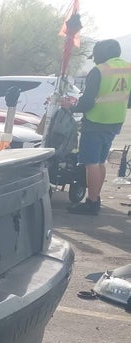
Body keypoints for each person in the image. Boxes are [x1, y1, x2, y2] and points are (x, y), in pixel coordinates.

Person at [68, 39, 131, 215]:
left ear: (100, 53)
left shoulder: (99, 71)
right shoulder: (128, 68)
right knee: (99, 162)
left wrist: (71, 107)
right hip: (115, 121)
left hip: (96, 121)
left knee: (91, 163)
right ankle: (96, 196)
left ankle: (92, 202)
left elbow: (87, 102)